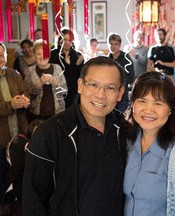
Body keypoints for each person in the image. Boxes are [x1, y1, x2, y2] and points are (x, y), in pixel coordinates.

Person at [22, 56, 129, 215]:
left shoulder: (125, 131)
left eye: (110, 88)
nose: (101, 95)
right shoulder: (49, 134)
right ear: (80, 85)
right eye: (93, 85)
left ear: (120, 93)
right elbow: (33, 201)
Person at [124, 72, 175, 215]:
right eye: (142, 101)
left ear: (170, 109)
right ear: (132, 104)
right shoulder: (126, 141)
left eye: (158, 103)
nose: (148, 110)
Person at [0, 42, 30, 213]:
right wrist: (10, 104)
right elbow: (9, 104)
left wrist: (25, 100)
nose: (1, 58)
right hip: (1, 140)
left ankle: (17, 207)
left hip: (17, 136)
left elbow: (25, 91)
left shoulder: (13, 74)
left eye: (2, 54)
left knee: (19, 176)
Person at [24, 39, 67, 123]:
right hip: (37, 115)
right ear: (34, 55)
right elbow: (27, 93)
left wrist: (54, 82)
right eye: (39, 54)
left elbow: (65, 91)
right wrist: (40, 83)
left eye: (45, 54)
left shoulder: (57, 68)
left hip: (57, 114)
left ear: (49, 55)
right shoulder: (30, 71)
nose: (42, 57)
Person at [49, 28, 84, 108]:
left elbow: (80, 76)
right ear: (60, 40)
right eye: (65, 40)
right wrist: (66, 64)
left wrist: (77, 65)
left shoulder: (77, 55)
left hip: (73, 91)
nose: (67, 42)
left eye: (69, 40)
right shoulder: (53, 54)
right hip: (57, 89)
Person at [107, 33, 135, 112]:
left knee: (121, 120)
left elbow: (131, 77)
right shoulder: (107, 59)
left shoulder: (126, 58)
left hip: (122, 97)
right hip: (109, 96)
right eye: (111, 44)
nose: (113, 46)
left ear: (120, 45)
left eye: (116, 44)